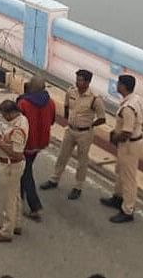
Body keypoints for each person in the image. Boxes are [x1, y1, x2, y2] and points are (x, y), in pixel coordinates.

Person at [41, 69, 105, 199]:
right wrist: (68, 119)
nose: (77, 82)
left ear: (87, 82)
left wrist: (90, 125)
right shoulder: (71, 91)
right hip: (70, 130)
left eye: (80, 80)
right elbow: (66, 106)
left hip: (85, 133)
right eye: (77, 79)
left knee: (82, 161)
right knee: (62, 155)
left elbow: (102, 118)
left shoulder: (95, 99)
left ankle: (78, 186)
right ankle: (54, 179)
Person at [101, 75, 143, 223]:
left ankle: (128, 209)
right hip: (131, 143)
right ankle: (118, 197)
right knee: (120, 171)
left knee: (128, 177)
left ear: (124, 86)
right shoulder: (137, 100)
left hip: (128, 145)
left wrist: (114, 138)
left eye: (119, 84)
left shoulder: (128, 108)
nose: (117, 85)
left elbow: (126, 132)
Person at [0, 100, 28, 242]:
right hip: (14, 166)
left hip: (11, 166)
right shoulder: (21, 120)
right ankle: (16, 223)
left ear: (11, 113)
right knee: (15, 195)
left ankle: (6, 231)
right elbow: (8, 134)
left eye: (4, 114)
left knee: (8, 199)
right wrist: (0, 135)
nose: (3, 117)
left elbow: (16, 153)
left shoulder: (18, 130)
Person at [17, 76, 56, 221]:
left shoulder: (24, 103)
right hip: (40, 143)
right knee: (25, 168)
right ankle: (19, 195)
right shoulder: (50, 103)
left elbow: (17, 123)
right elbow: (52, 121)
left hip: (26, 143)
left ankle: (35, 206)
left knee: (25, 172)